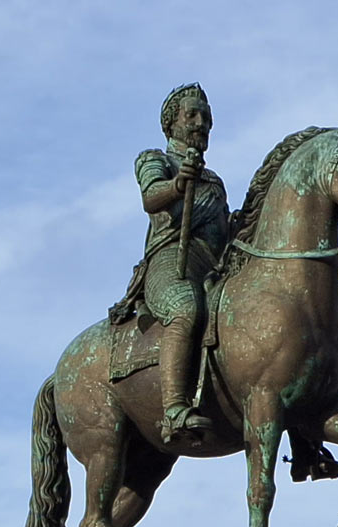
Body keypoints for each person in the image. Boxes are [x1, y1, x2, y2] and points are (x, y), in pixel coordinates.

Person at [110, 83, 229, 443]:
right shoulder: (155, 160)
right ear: (171, 124)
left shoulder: (214, 182)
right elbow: (151, 198)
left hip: (212, 267)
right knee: (185, 309)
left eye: (206, 117)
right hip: (170, 261)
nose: (201, 122)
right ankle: (175, 410)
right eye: (191, 115)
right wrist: (178, 184)